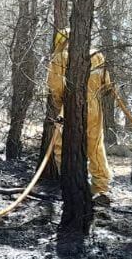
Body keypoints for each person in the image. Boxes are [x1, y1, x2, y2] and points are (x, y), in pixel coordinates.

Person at [47, 29, 115, 206]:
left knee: (63, 147)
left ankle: (72, 184)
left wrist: (60, 103)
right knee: (95, 147)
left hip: (70, 109)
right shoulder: (97, 54)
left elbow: (56, 87)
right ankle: (101, 188)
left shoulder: (60, 57)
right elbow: (107, 86)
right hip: (94, 108)